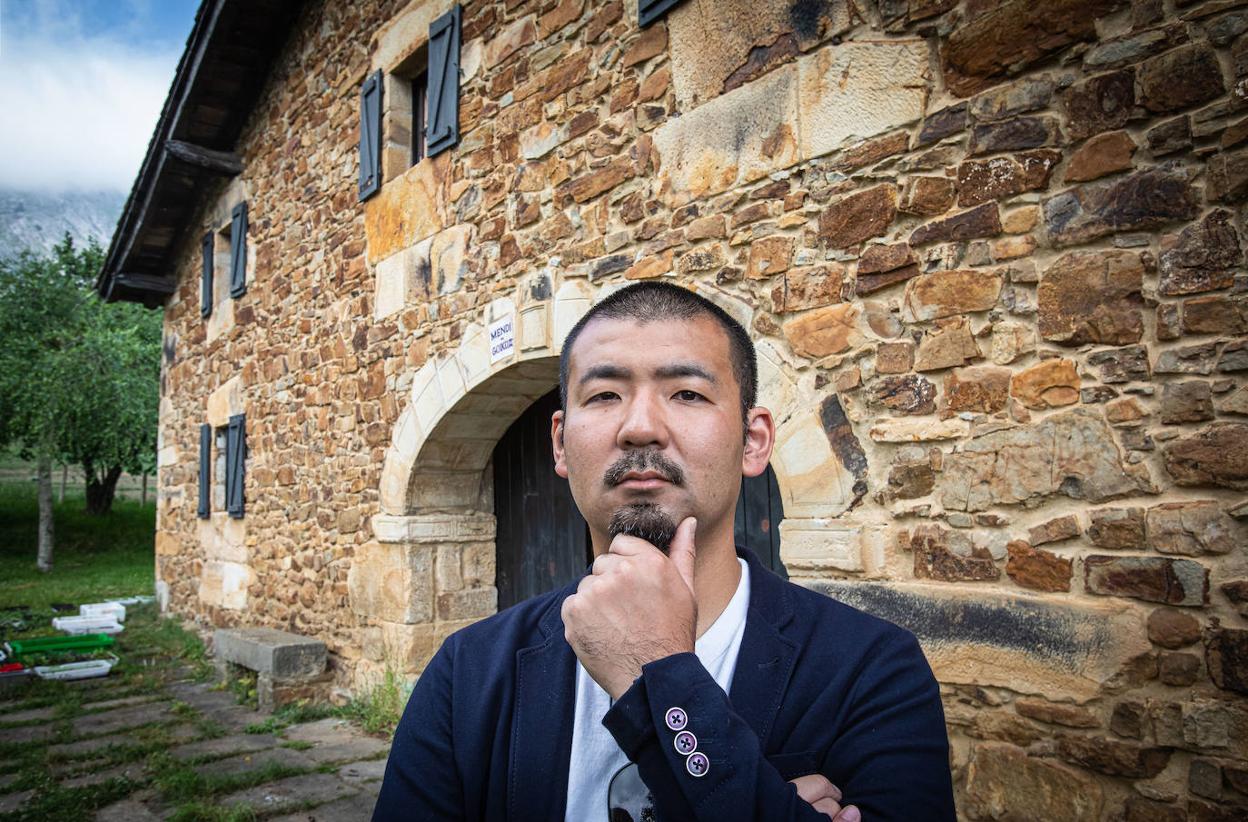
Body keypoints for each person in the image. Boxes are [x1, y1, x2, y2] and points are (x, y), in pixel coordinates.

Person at [372, 282, 956, 821]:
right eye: (604, 394)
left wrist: (657, 675)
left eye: (686, 393)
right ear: (560, 444)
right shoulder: (469, 672)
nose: (641, 426)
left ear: (754, 443)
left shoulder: (871, 670)